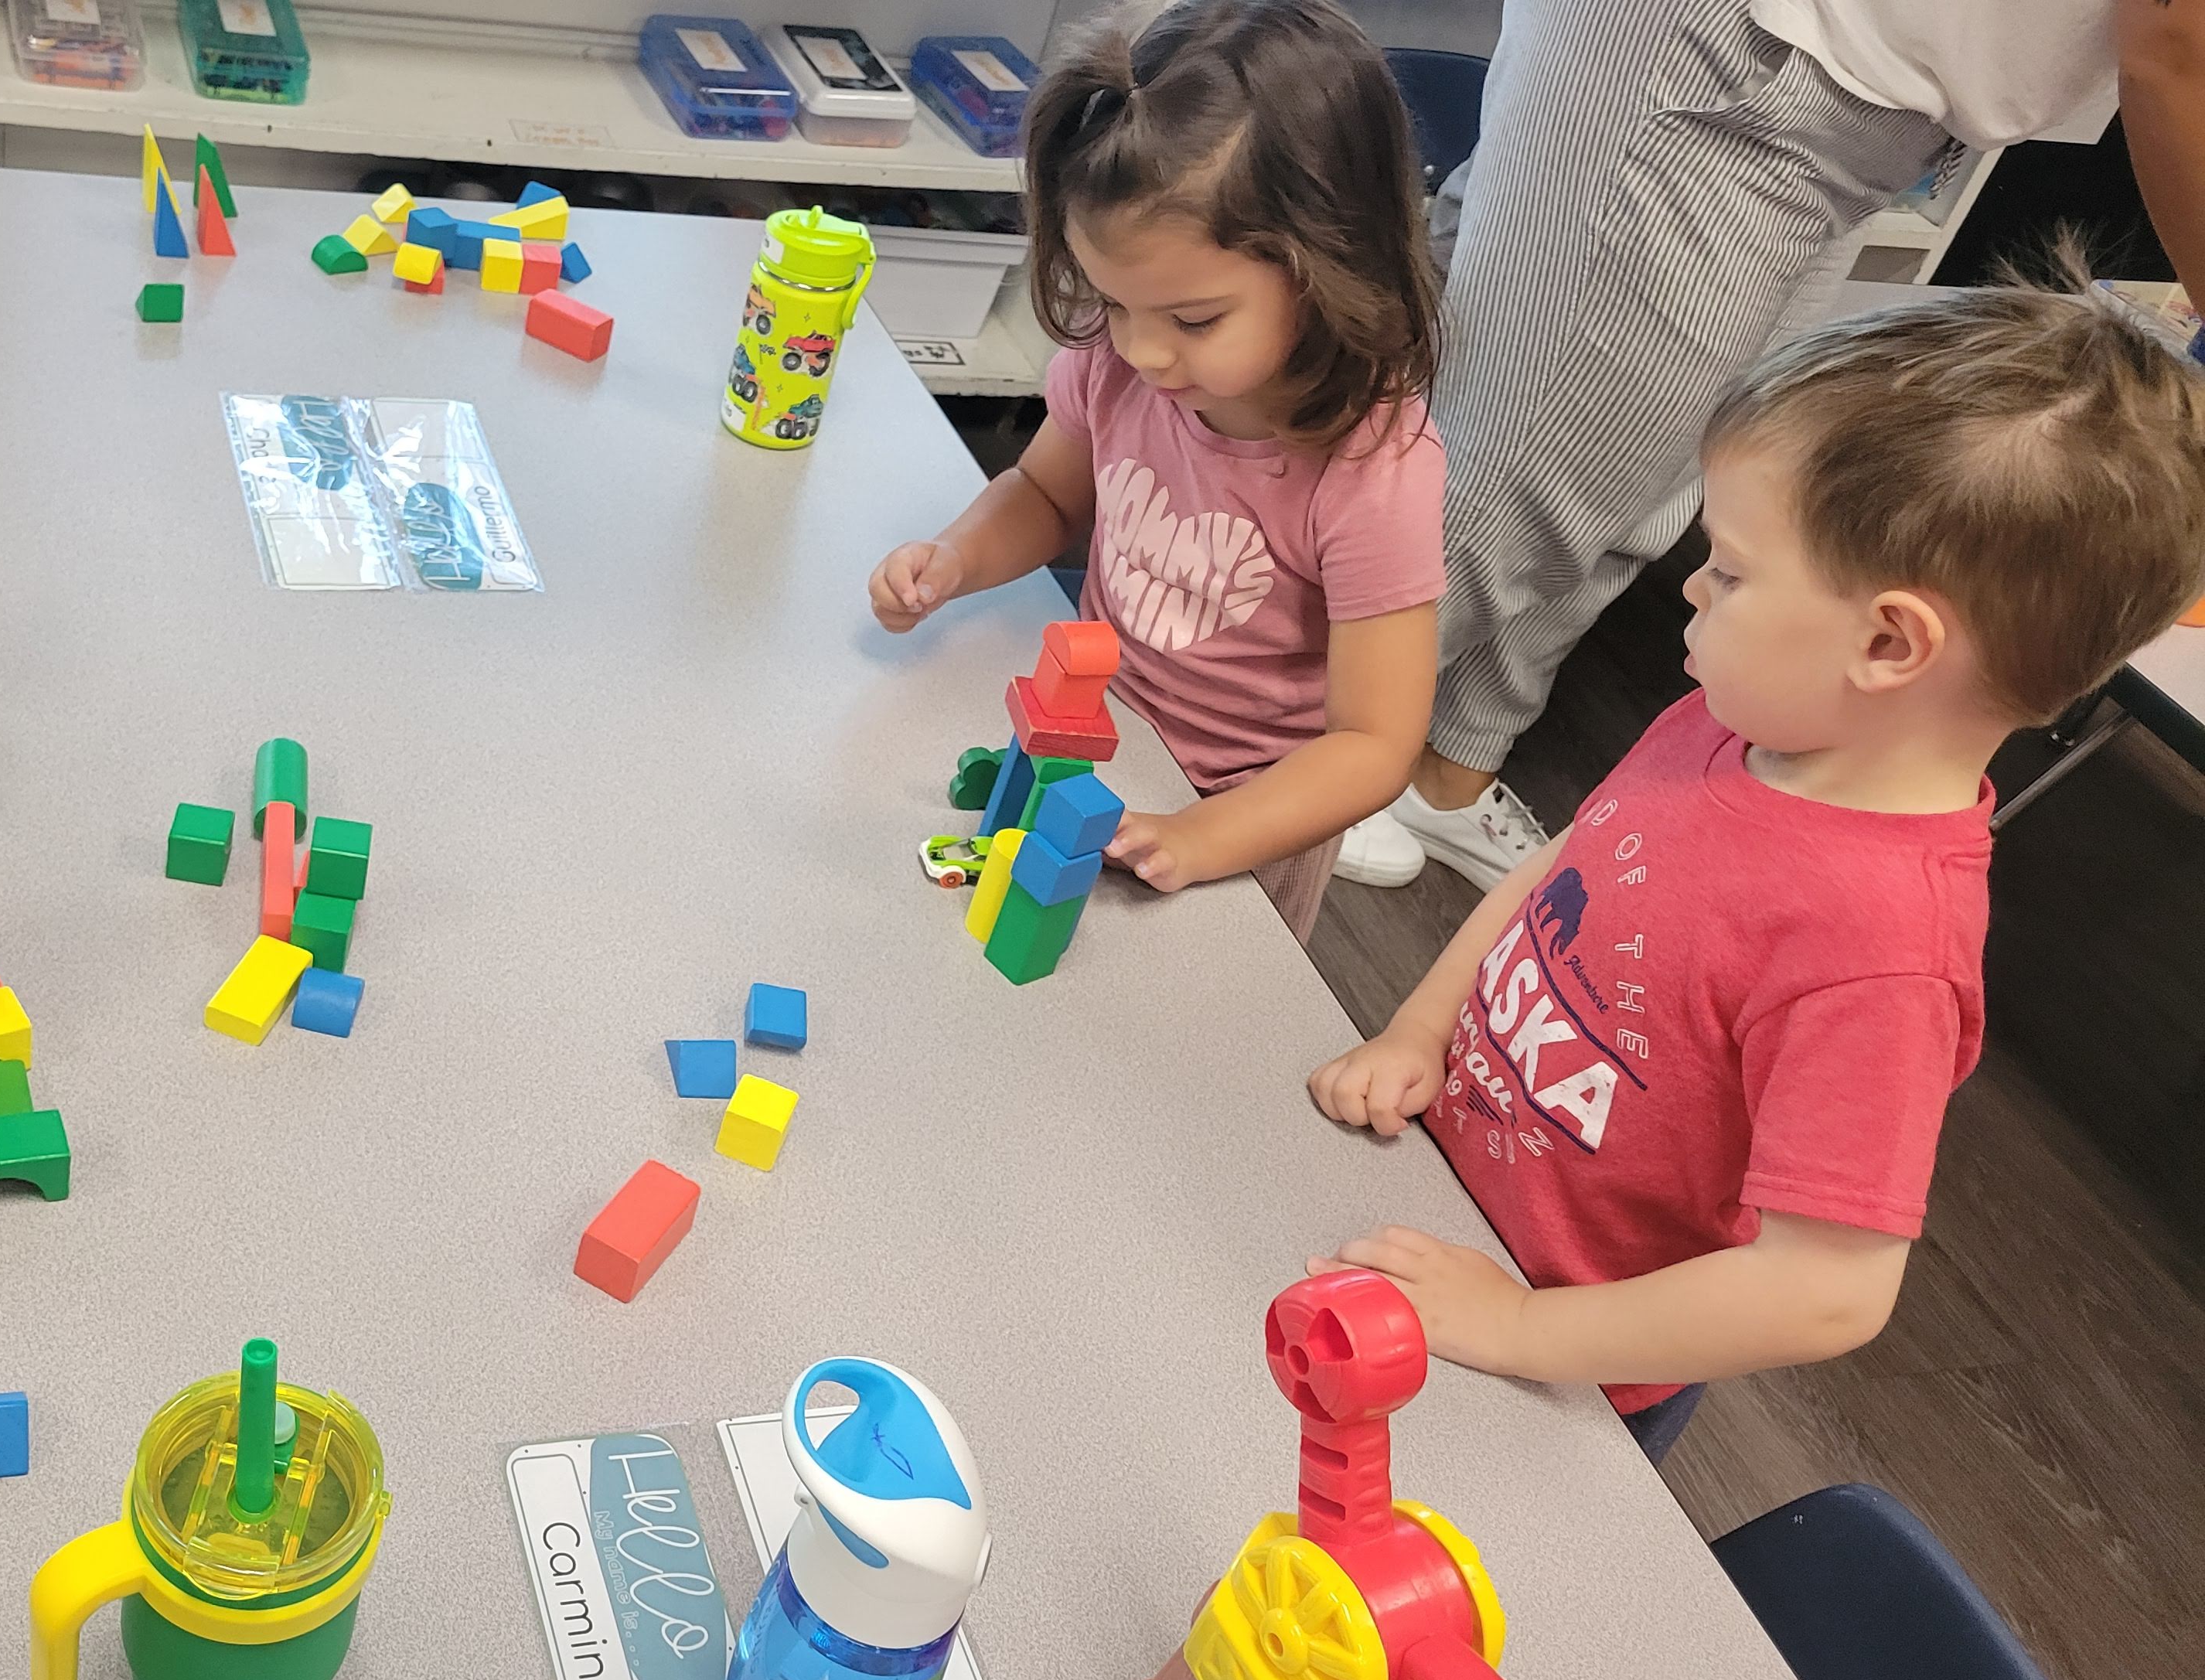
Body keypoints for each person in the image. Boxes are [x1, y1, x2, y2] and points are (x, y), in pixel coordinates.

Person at [1307, 281, 2205, 1461]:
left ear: (1890, 643)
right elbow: (1560, 880)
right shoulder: (1729, 724)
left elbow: (1828, 1290)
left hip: (1555, 1371)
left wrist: (1525, 1326)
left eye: (1729, 571)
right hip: (1440, 1208)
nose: (1692, 586)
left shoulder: (1882, 954)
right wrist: (1421, 1032)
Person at [1339, 0, 2205, 892]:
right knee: (1526, 475)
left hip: (1872, 108)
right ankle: (1283, 750)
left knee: (1666, 488)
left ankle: (1445, 776)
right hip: (1743, 48)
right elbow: (2174, 47)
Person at [865, 0, 1444, 941]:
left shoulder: (1374, 473)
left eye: (1194, 319)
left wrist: (1206, 835)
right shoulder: (1120, 359)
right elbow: (1049, 495)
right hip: (1096, 738)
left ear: (1335, 264)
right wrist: (955, 560)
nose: (1141, 352)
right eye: (1112, 302)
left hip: (1243, 817)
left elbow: (1375, 743)